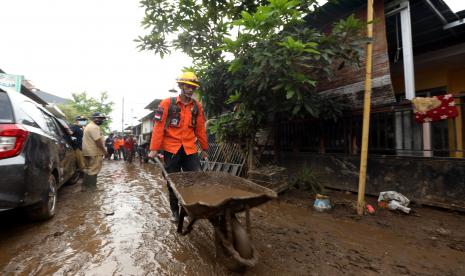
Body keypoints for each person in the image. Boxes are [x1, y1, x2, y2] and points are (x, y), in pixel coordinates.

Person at [148, 71, 208, 222]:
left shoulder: (197, 107)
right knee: (172, 182)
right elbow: (159, 127)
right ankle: (175, 211)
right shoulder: (167, 103)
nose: (191, 89)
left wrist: (205, 149)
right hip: (171, 149)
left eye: (193, 87)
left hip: (190, 148)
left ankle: (187, 209)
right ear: (181, 85)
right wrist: (154, 149)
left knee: (195, 177)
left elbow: (200, 128)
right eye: (188, 86)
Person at [82, 112, 107, 188]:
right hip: (94, 152)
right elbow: (98, 141)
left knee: (88, 169)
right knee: (94, 169)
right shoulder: (94, 127)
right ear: (93, 118)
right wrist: (104, 151)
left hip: (87, 151)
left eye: (102, 119)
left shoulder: (88, 126)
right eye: (99, 118)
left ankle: (85, 186)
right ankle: (92, 188)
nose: (101, 120)